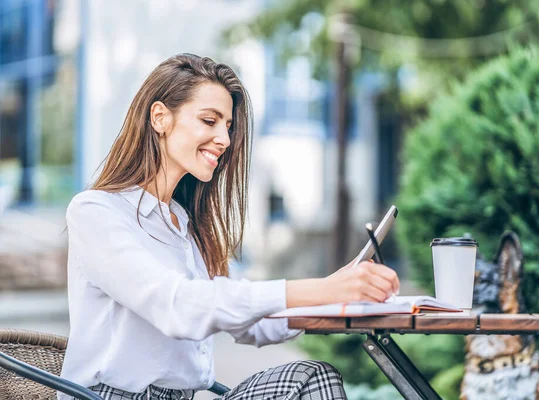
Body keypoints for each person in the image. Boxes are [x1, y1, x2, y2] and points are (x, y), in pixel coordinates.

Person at [59, 54, 400, 400]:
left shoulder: (183, 225)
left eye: (228, 126)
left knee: (311, 378)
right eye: (210, 121)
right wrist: (318, 290)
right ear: (160, 117)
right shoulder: (96, 212)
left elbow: (249, 319)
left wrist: (335, 295)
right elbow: (177, 305)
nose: (224, 138)